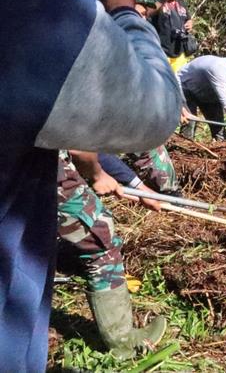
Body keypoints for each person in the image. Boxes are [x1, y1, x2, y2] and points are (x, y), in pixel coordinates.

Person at [1, 0, 181, 370]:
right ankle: (122, 343)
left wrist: (130, 183)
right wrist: (122, 10)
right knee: (101, 239)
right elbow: (148, 116)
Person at [57, 151, 164, 359]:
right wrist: (97, 174)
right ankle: (124, 343)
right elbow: (80, 146)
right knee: (101, 239)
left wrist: (138, 188)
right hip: (48, 170)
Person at [150, 0, 194, 72]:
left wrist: (190, 23)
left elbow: (188, 18)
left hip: (179, 53)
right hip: (160, 52)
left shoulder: (181, 3)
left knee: (175, 84)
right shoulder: (155, 1)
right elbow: (148, 13)